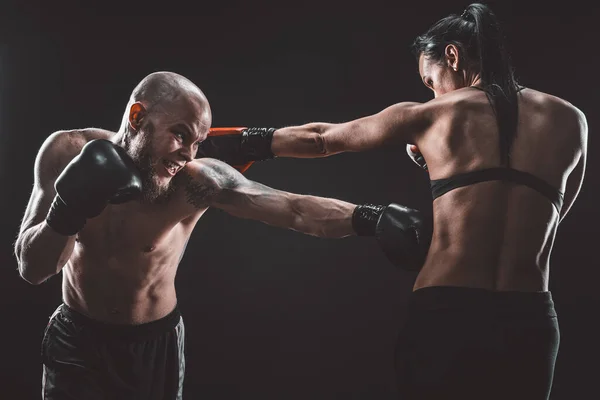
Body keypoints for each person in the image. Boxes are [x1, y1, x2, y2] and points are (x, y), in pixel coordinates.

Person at [200, 3, 588, 399]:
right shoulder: (572, 121)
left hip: (448, 312)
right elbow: (553, 218)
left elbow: (320, 138)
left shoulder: (429, 116)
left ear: (451, 56)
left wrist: (218, 141)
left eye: (430, 80)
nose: (432, 94)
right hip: (530, 321)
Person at [14, 71, 428, 400]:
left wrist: (371, 218)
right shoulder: (65, 151)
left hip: (152, 345)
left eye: (197, 142)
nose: (187, 154)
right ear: (138, 117)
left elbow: (293, 209)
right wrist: (66, 212)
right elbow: (32, 268)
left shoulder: (196, 181)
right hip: (77, 342)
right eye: (179, 134)